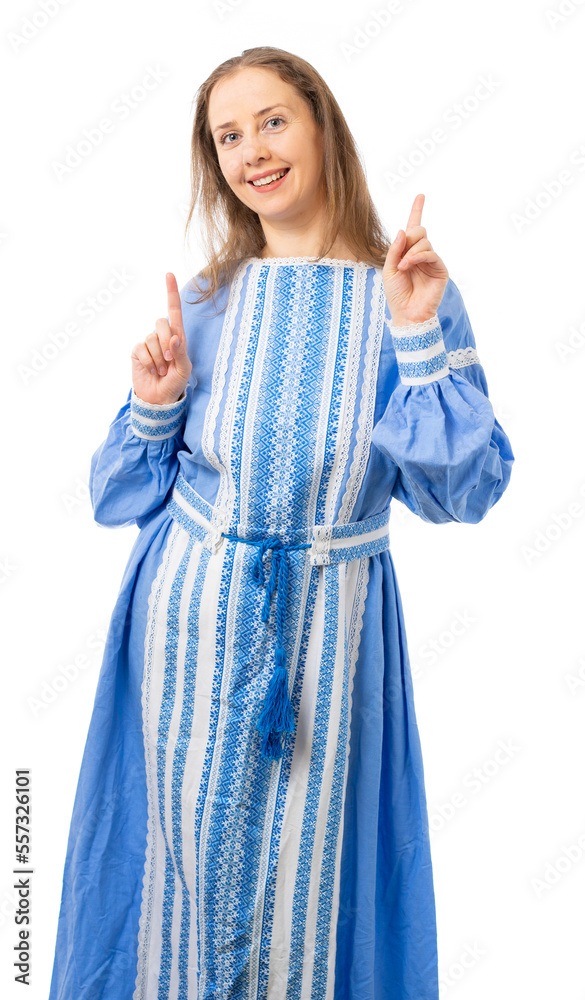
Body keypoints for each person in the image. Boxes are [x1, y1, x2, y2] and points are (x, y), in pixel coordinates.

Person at [48, 45, 514, 1000]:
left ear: (320, 127)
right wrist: (155, 404)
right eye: (227, 136)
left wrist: (416, 334)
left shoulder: (409, 290)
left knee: (312, 895)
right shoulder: (209, 298)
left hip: (332, 637)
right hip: (184, 627)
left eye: (270, 122)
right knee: (171, 889)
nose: (251, 151)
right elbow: (116, 498)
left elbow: (461, 494)